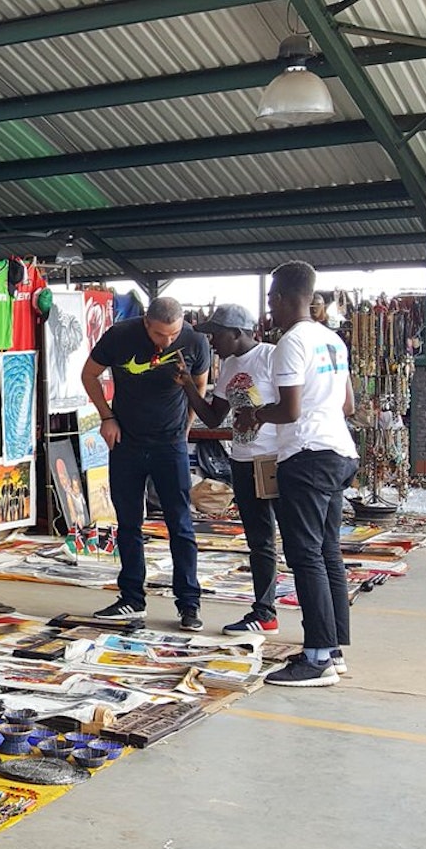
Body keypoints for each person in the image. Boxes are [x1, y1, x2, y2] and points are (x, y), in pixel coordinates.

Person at [238, 262, 358, 688]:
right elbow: (347, 406)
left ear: (286, 298)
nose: (269, 306)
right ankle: (333, 648)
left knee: (305, 554)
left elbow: (288, 411)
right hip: (339, 451)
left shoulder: (291, 342)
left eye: (271, 298)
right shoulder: (333, 340)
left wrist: (256, 414)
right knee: (327, 552)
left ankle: (317, 656)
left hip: (306, 457)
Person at [79, 297, 211, 631]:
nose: (167, 342)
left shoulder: (196, 341)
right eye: (158, 335)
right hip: (127, 441)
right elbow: (89, 374)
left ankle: (189, 603)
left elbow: (200, 384)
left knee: (180, 524)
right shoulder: (119, 336)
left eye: (173, 334)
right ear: (145, 323)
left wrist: (186, 427)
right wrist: (106, 416)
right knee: (128, 522)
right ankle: (131, 598)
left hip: (171, 443)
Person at [178, 304, 281, 635]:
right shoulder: (231, 365)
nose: (212, 341)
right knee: (259, 539)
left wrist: (261, 416)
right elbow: (213, 417)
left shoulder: (271, 357)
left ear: (238, 333)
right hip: (242, 459)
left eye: (217, 334)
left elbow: (294, 405)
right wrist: (187, 386)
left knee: (293, 540)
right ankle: (264, 612)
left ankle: (314, 620)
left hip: (272, 459)